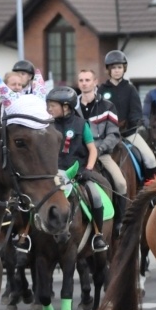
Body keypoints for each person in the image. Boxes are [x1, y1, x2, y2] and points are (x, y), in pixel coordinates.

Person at [47, 86, 108, 252]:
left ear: (66, 107)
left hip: (77, 172)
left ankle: (98, 235)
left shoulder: (82, 124)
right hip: (53, 174)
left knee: (95, 197)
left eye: (53, 105)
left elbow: (92, 149)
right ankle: (25, 236)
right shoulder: (47, 124)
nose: (49, 109)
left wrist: (88, 167)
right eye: (48, 105)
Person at [77, 69, 127, 234]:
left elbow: (114, 134)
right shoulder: (71, 106)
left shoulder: (107, 106)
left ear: (95, 82)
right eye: (81, 80)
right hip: (77, 155)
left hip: (102, 153)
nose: (84, 83)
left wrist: (100, 148)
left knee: (120, 183)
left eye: (87, 80)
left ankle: (119, 222)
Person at [97, 50, 156, 184]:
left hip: (128, 133)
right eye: (113, 68)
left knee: (150, 158)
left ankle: (151, 192)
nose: (117, 70)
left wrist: (134, 122)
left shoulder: (130, 89)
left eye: (119, 67)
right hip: (107, 135)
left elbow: (136, 111)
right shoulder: (101, 90)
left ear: (124, 68)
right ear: (108, 70)